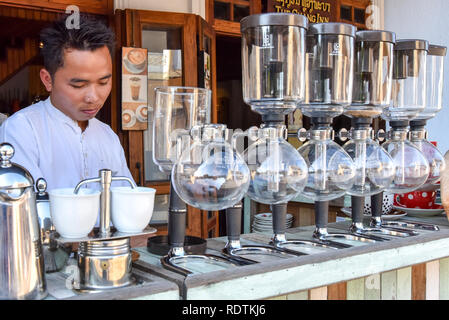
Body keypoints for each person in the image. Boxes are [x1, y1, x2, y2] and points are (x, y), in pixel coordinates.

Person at [0, 15, 134, 191]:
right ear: (48, 80)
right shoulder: (22, 129)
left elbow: (126, 199)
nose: (93, 97)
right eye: (78, 85)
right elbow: (25, 207)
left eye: (103, 82)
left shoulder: (108, 136)